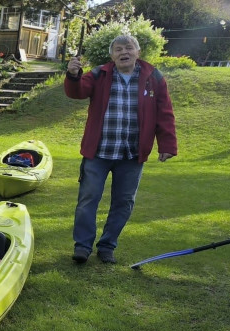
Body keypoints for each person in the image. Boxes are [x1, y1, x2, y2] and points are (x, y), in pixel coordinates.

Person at [64, 34, 177, 264]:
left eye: (128, 48)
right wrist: (73, 75)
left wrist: (167, 144)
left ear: (138, 51)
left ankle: (107, 246)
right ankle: (83, 246)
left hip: (132, 155)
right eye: (118, 49)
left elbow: (164, 112)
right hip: (99, 152)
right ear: (112, 55)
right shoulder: (100, 74)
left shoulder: (153, 77)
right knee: (88, 199)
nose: (123, 52)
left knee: (124, 203)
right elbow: (77, 91)